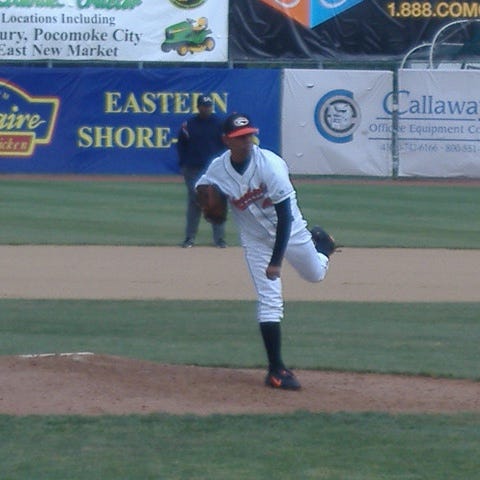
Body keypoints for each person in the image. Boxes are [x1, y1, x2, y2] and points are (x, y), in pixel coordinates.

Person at [195, 113, 335, 390]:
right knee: (269, 299)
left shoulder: (269, 165)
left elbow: (284, 217)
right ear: (227, 141)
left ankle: (323, 246)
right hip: (255, 239)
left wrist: (276, 263)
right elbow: (203, 187)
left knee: (315, 274)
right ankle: (276, 370)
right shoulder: (218, 168)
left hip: (290, 230)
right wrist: (205, 199)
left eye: (249, 135)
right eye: (239, 137)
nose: (247, 141)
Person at [177, 95, 227, 248]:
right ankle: (190, 238)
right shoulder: (189, 125)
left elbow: (226, 145)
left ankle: (219, 240)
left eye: (209, 106)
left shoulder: (219, 124)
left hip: (214, 169)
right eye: (204, 106)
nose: (207, 109)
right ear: (198, 107)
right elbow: (181, 145)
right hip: (193, 168)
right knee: (195, 200)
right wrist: (185, 163)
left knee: (216, 200)